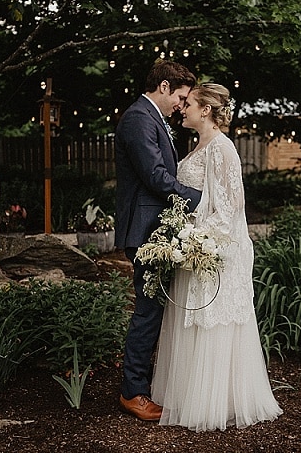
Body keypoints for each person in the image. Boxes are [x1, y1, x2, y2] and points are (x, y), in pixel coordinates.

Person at [151, 83, 283, 431]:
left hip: (214, 249)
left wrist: (197, 239)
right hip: (193, 246)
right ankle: (189, 396)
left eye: (190, 103)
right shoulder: (198, 147)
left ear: (206, 110)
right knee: (193, 322)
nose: (183, 108)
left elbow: (231, 207)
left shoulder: (222, 149)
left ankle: (217, 402)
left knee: (215, 320)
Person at [114, 60, 202, 421]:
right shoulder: (138, 118)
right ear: (163, 86)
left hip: (155, 227)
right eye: (181, 96)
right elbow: (155, 176)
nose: (182, 104)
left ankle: (142, 384)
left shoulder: (150, 118)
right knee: (148, 312)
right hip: (144, 227)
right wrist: (199, 198)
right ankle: (132, 392)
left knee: (154, 310)